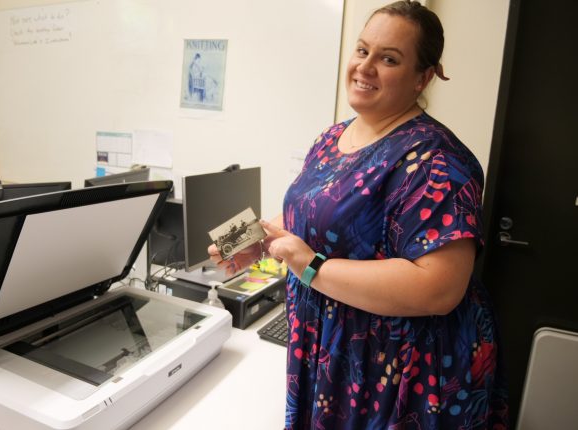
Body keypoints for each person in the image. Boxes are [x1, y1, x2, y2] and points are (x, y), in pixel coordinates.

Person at [208, 1, 508, 428]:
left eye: (388, 58)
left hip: (402, 369)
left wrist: (309, 266)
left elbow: (439, 289)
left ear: (423, 77)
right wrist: (258, 240)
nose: (365, 67)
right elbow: (313, 214)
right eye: (362, 50)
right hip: (334, 347)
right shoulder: (333, 137)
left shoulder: (438, 161)